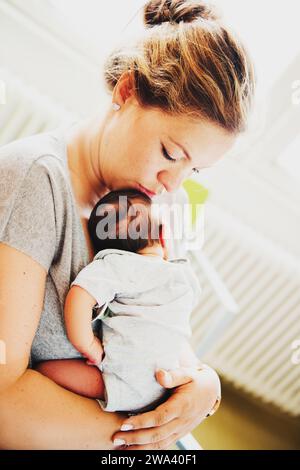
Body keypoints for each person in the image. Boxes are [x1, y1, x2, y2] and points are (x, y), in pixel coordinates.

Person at [0, 0, 255, 450]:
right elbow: (3, 398)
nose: (173, 183)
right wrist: (144, 444)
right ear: (125, 92)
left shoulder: (157, 204)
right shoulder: (34, 180)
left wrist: (203, 386)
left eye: (194, 170)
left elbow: (158, 324)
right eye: (172, 154)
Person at [35, 188, 202, 414]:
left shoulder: (117, 264)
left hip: (118, 381)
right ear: (163, 236)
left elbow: (80, 295)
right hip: (167, 386)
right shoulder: (185, 276)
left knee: (44, 369)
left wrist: (89, 345)